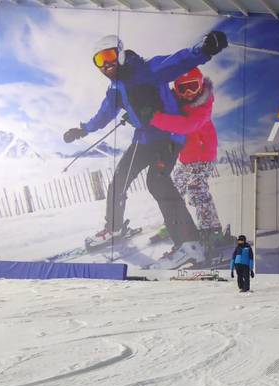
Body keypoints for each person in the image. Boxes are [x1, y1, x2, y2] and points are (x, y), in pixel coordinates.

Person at [62, 31, 228, 263]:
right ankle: (114, 228)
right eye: (99, 60)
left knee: (157, 182)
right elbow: (104, 114)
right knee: (119, 180)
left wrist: (204, 49)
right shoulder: (115, 89)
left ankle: (189, 244)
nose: (106, 64)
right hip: (143, 139)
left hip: (169, 137)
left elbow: (179, 61)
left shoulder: (148, 69)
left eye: (109, 56)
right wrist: (84, 129)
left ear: (120, 54)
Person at [149, 68, 222, 242]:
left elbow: (188, 125)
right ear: (177, 89)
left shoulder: (204, 106)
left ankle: (212, 230)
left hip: (203, 156)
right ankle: (174, 224)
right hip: (185, 159)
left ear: (201, 85)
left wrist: (154, 118)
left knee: (196, 189)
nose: (188, 92)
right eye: (183, 88)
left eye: (193, 86)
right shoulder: (176, 105)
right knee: (173, 189)